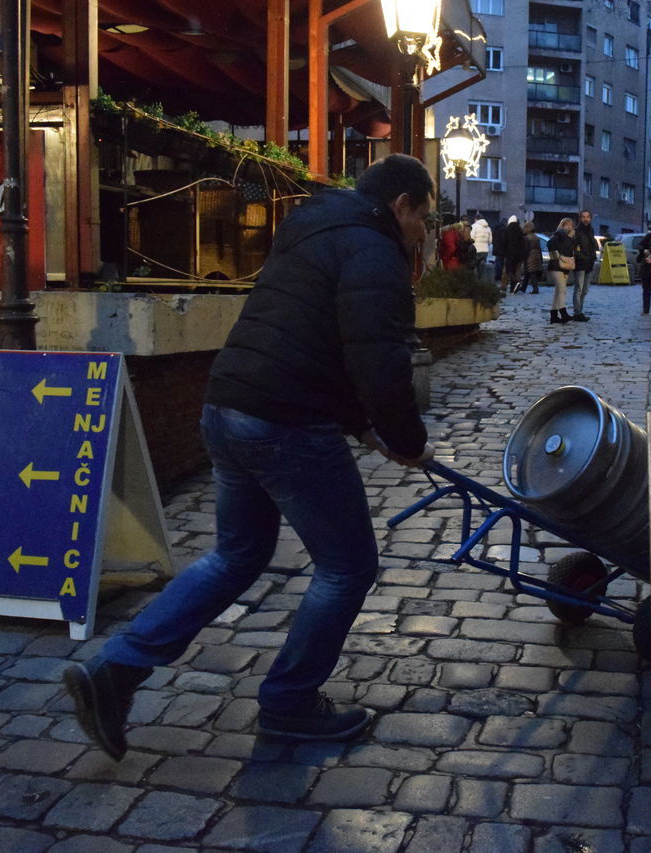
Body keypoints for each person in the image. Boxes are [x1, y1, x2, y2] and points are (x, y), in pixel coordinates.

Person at [62, 154, 436, 759]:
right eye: (425, 217)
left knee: (237, 555)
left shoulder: (312, 229)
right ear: (401, 205)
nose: (424, 232)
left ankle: (115, 672)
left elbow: (313, 338)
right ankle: (289, 704)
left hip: (227, 406)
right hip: (285, 424)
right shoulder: (375, 253)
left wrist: (365, 427)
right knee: (347, 568)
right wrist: (409, 441)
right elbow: (377, 360)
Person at [546, 218, 577, 324]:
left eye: (571, 225)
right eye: (567, 225)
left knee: (558, 291)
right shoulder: (559, 234)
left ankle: (554, 314)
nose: (570, 227)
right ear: (562, 225)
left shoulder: (569, 237)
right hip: (557, 266)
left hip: (565, 266)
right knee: (562, 290)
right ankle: (563, 312)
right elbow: (550, 244)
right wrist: (557, 257)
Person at [571, 210, 598, 322]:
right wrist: (582, 256)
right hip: (580, 263)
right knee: (579, 289)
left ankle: (580, 311)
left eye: (587, 217)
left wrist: (592, 256)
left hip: (589, 263)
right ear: (580, 218)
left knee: (585, 290)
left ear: (590, 218)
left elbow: (593, 246)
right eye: (583, 217)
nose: (585, 219)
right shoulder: (577, 231)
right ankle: (577, 312)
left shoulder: (591, 230)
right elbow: (573, 248)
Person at [518, 219, 543, 294]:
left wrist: (523, 257)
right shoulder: (536, 237)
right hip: (537, 256)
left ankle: (535, 289)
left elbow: (526, 249)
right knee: (529, 273)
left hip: (530, 256)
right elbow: (539, 248)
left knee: (531, 273)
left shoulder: (527, 238)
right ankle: (523, 287)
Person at [501, 215, 523, 294]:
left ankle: (516, 281)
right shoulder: (520, 230)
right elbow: (522, 243)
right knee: (513, 271)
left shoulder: (507, 230)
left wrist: (503, 252)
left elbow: (504, 242)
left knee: (508, 270)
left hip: (509, 253)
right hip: (518, 254)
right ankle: (512, 289)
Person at [636, 228, 651, 315]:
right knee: (646, 289)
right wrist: (644, 250)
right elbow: (640, 245)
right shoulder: (650, 236)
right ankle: (645, 309)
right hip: (647, 266)